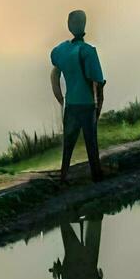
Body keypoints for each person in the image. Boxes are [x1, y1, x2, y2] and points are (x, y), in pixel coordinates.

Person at [50, 10, 107, 184]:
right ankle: (96, 177)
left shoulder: (60, 51)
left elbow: (55, 74)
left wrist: (59, 96)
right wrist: (98, 109)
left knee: (68, 146)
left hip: (71, 105)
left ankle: (63, 177)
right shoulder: (88, 52)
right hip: (87, 105)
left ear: (69, 25)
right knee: (91, 145)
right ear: (84, 24)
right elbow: (98, 84)